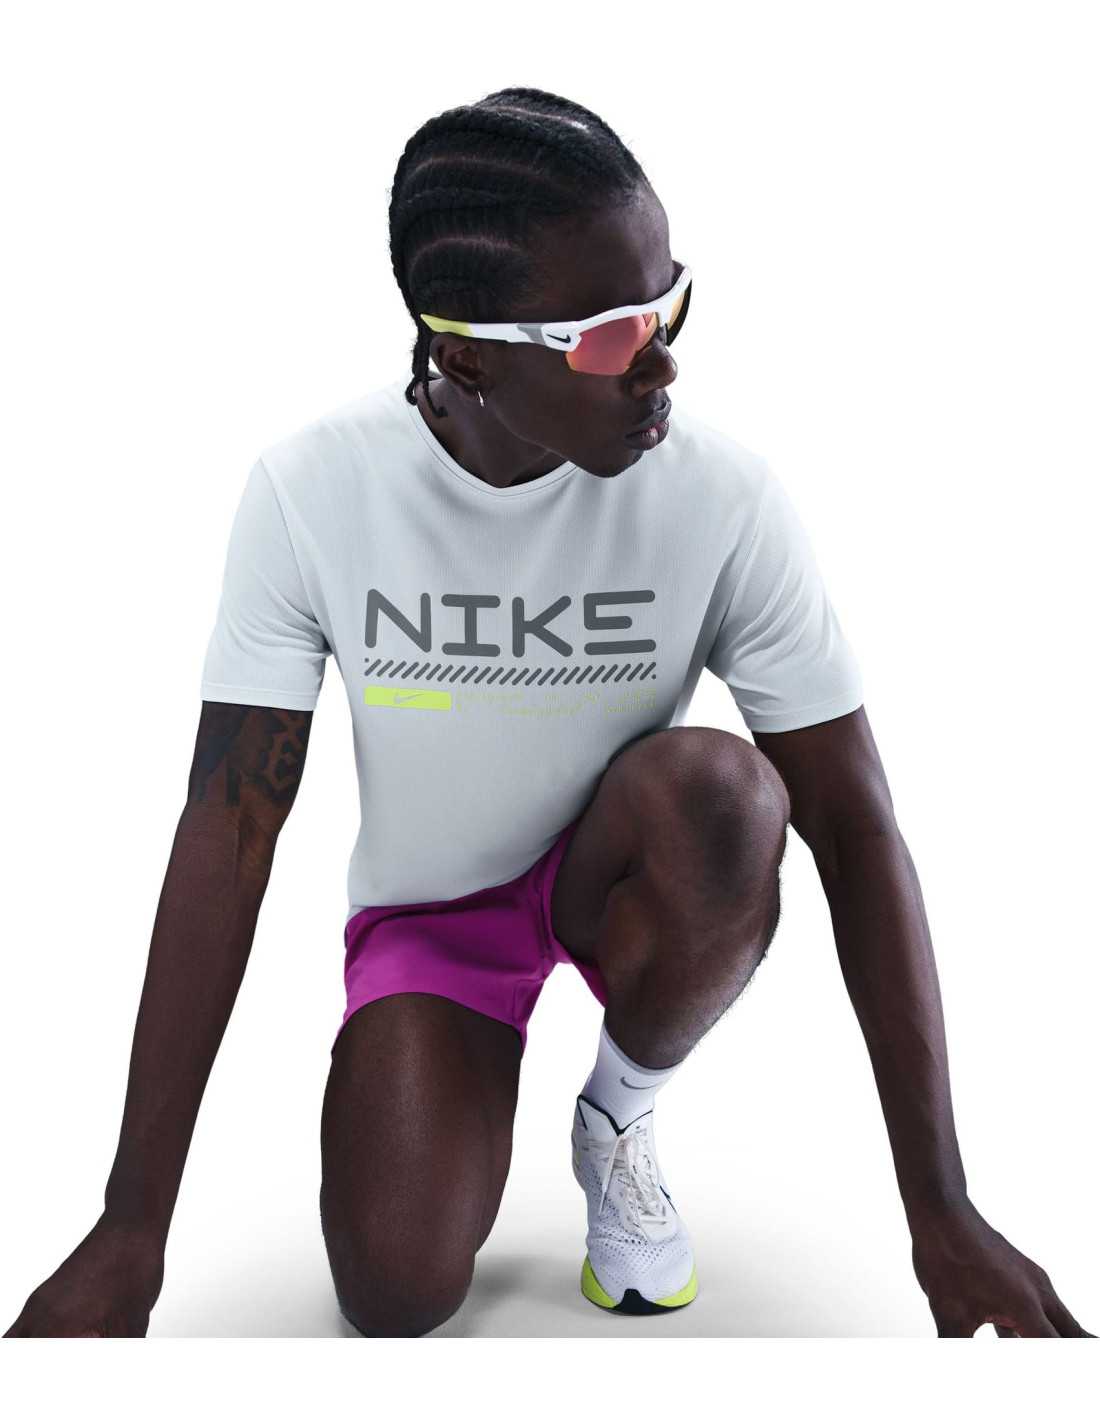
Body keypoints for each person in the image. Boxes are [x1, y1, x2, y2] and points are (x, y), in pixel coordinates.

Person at [4, 86, 1092, 1340]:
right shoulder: (313, 491)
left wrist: (941, 1211)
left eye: (668, 305)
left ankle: (617, 1111)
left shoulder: (721, 498)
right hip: (435, 916)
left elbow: (852, 828)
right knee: (394, 1295)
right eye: (611, 335)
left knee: (725, 793)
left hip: (625, 870)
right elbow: (229, 830)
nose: (663, 361)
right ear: (465, 353)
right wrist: (131, 1227)